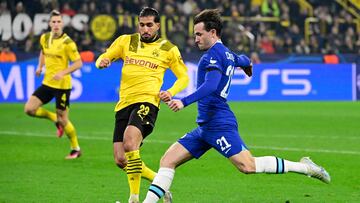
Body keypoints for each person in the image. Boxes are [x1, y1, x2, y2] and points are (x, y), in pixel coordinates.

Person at [143, 9, 331, 202]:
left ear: (213, 32)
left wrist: (183, 101)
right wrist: (247, 65)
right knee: (167, 160)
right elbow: (242, 59)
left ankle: (306, 167)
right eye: (195, 35)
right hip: (205, 127)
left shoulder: (212, 56)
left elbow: (211, 84)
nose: (196, 39)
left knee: (248, 166)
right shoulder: (226, 53)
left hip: (219, 124)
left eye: (199, 34)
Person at [95, 7, 189, 203]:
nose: (145, 29)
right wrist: (101, 62)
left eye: (149, 25)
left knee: (130, 142)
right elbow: (105, 56)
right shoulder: (125, 41)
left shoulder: (168, 49)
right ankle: (158, 182)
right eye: (142, 25)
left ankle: (134, 198)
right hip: (123, 104)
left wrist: (170, 92)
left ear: (157, 25)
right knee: (121, 160)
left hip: (147, 101)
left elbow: (184, 77)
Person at [24, 10, 83, 159]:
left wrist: (63, 72)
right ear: (50, 23)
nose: (56, 24)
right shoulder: (44, 38)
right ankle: (53, 119)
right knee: (29, 109)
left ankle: (75, 148)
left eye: (59, 22)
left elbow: (78, 63)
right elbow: (43, 52)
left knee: (64, 119)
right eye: (53, 22)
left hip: (62, 86)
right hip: (48, 83)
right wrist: (39, 66)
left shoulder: (68, 43)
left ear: (62, 23)